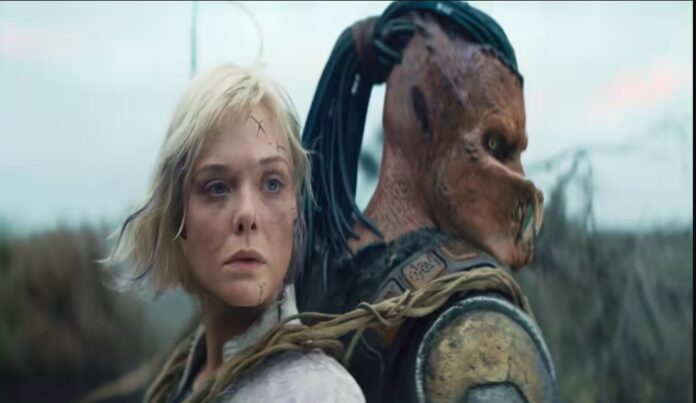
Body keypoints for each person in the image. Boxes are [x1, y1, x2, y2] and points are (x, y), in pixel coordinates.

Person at [103, 64, 365, 403]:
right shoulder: (182, 381)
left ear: (295, 210)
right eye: (217, 187)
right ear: (177, 215)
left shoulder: (318, 393)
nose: (247, 215)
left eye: (272, 184)